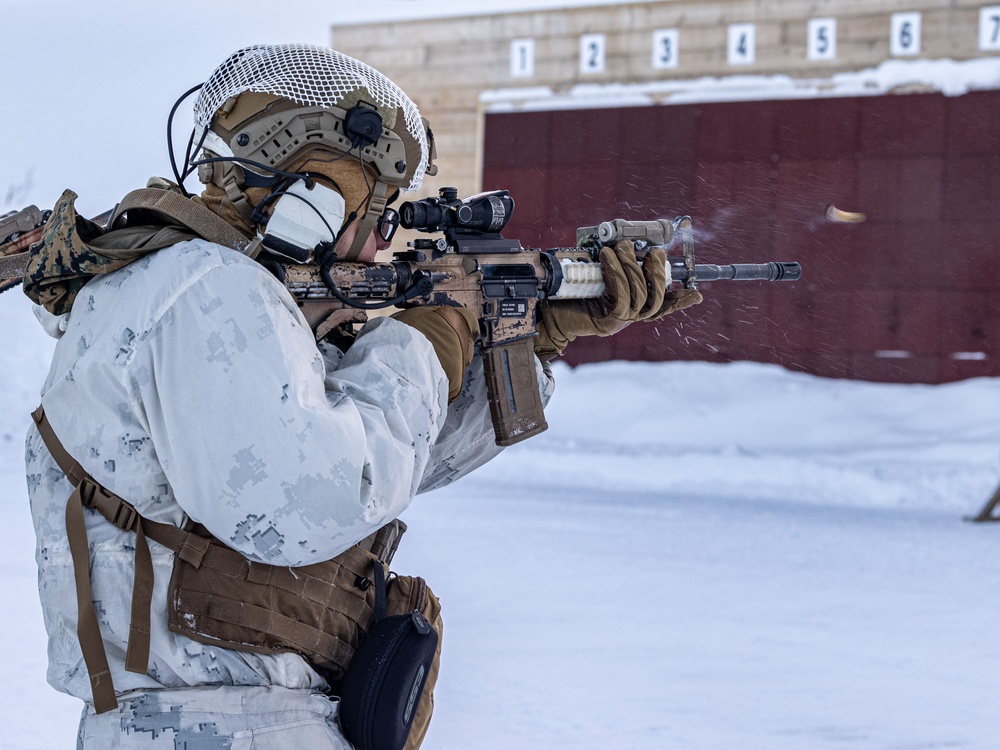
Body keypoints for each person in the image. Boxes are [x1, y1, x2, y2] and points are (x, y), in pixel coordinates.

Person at [22, 44, 701, 749]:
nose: (379, 247)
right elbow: (314, 502)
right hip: (221, 726)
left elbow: (391, 467)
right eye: (374, 213)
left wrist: (533, 341)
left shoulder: (197, 294)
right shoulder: (202, 290)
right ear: (312, 198)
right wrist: (428, 338)